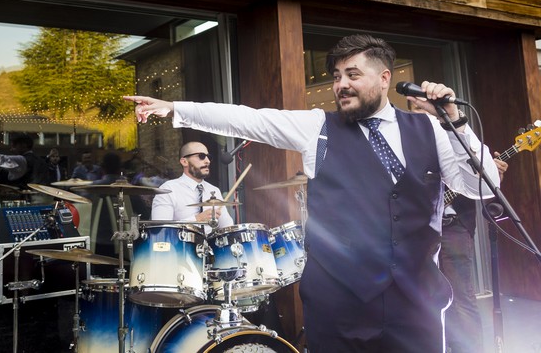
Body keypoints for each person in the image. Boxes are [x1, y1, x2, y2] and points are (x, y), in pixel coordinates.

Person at [125, 33, 500, 352]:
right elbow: (248, 119)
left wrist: (456, 123)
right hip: (340, 307)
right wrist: (175, 108)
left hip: (416, 305)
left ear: (385, 78)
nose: (341, 84)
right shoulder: (317, 128)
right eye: (337, 76)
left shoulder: (430, 129)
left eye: (353, 74)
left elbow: (481, 187)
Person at [441, 154, 508, 353]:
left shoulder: (464, 142)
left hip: (454, 226)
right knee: (427, 297)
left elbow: (481, 190)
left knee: (461, 296)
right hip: (420, 228)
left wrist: (492, 177)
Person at [151, 141, 233, 231]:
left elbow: (227, 227)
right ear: (184, 162)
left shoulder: (214, 190)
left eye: (208, 157)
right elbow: (160, 229)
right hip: (180, 240)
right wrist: (197, 219)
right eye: (201, 156)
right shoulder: (168, 189)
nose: (208, 161)